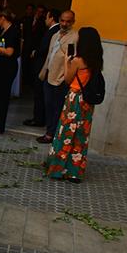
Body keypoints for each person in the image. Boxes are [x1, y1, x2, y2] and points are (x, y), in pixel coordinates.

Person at [45, 27, 102, 184]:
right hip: (87, 102)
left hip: (74, 97)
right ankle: (75, 172)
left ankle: (58, 168)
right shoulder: (96, 60)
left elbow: (68, 79)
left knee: (66, 133)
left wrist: (66, 60)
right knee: (81, 136)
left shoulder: (78, 60)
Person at [38, 10, 77, 143]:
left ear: (73, 22)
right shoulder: (55, 35)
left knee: (57, 107)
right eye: (62, 20)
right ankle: (49, 131)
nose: (65, 23)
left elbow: (70, 58)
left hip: (61, 78)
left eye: (68, 21)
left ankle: (53, 134)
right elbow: (50, 54)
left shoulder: (74, 37)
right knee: (48, 105)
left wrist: (64, 78)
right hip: (49, 74)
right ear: (59, 20)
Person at [25, 8, 60, 131]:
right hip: (42, 65)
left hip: (42, 66)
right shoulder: (52, 30)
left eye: (47, 17)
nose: (45, 19)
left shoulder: (54, 31)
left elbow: (46, 48)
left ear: (51, 18)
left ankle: (38, 119)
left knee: (39, 93)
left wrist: (36, 52)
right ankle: (39, 117)